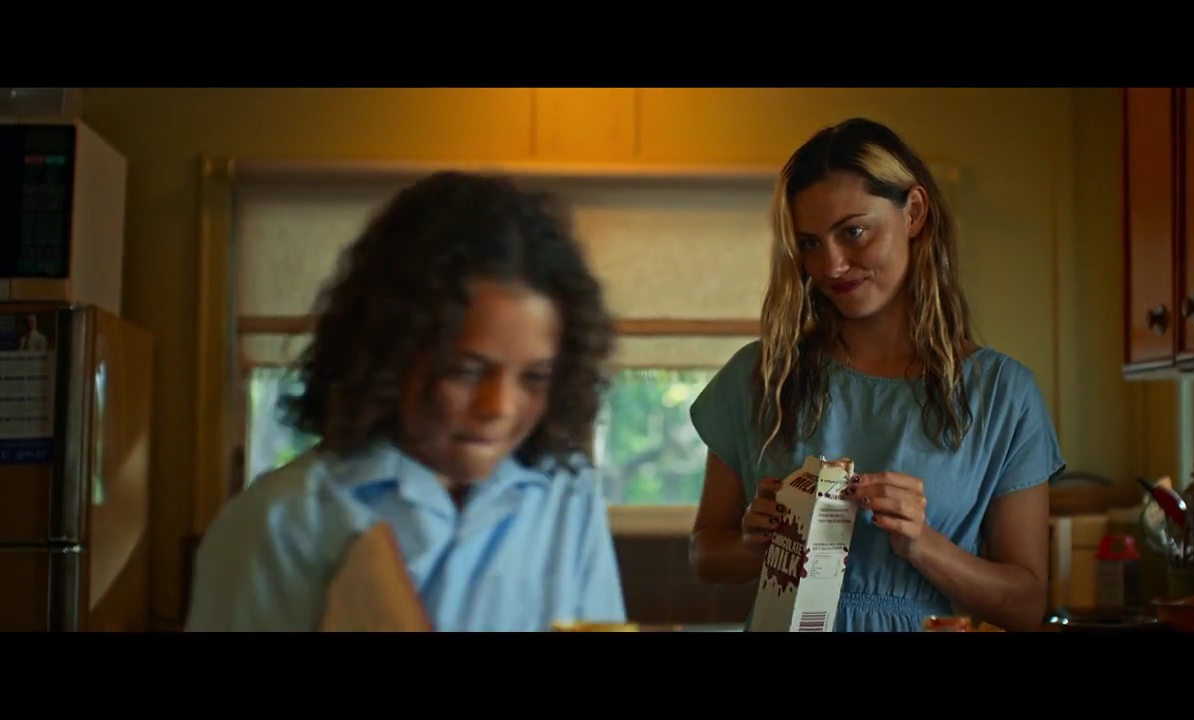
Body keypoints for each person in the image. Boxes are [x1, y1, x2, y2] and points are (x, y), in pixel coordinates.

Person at [186, 172, 626, 632]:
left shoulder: (565, 500)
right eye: (466, 370)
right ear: (390, 351)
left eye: (534, 378)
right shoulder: (281, 524)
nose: (499, 407)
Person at [688, 118, 1064, 633]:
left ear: (914, 212)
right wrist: (756, 546)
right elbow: (705, 554)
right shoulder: (761, 375)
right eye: (810, 243)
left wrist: (921, 543)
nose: (832, 266)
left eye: (853, 232)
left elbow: (1024, 606)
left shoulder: (1003, 395)